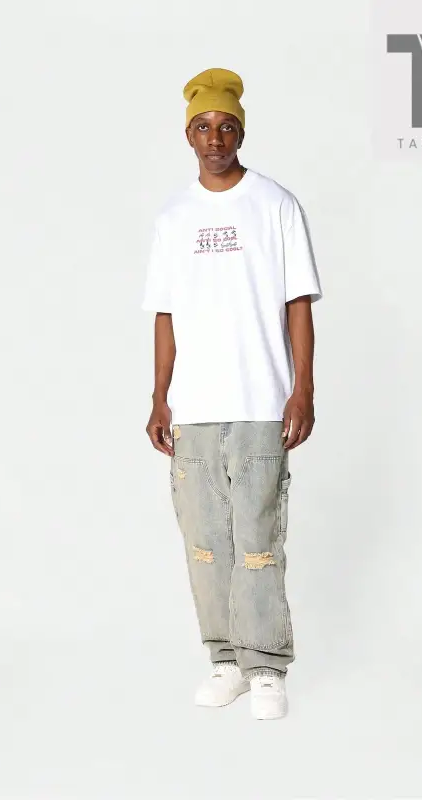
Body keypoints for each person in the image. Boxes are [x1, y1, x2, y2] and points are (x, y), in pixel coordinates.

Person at [141, 67, 323, 720]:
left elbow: (297, 303)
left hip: (259, 402)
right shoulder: (174, 216)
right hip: (194, 409)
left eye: (225, 127)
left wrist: (301, 390)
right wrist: (160, 397)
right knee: (205, 545)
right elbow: (165, 313)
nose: (214, 138)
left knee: (258, 542)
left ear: (240, 133)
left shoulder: (275, 205)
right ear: (187, 136)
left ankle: (266, 667)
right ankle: (224, 661)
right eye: (202, 127)